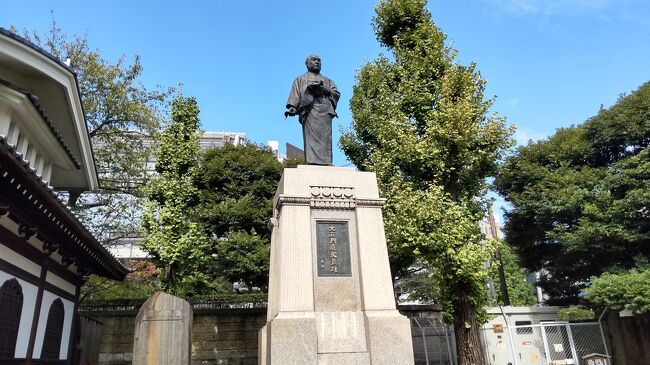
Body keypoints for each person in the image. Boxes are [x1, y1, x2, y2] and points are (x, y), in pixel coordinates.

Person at [285, 54, 340, 165]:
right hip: (309, 111)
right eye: (313, 60)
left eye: (319, 60)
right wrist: (292, 107)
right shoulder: (300, 79)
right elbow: (295, 95)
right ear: (307, 64)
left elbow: (336, 94)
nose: (317, 62)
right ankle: (312, 162)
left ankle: (326, 162)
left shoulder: (328, 80)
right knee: (311, 139)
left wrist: (327, 90)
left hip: (325, 112)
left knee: (325, 138)